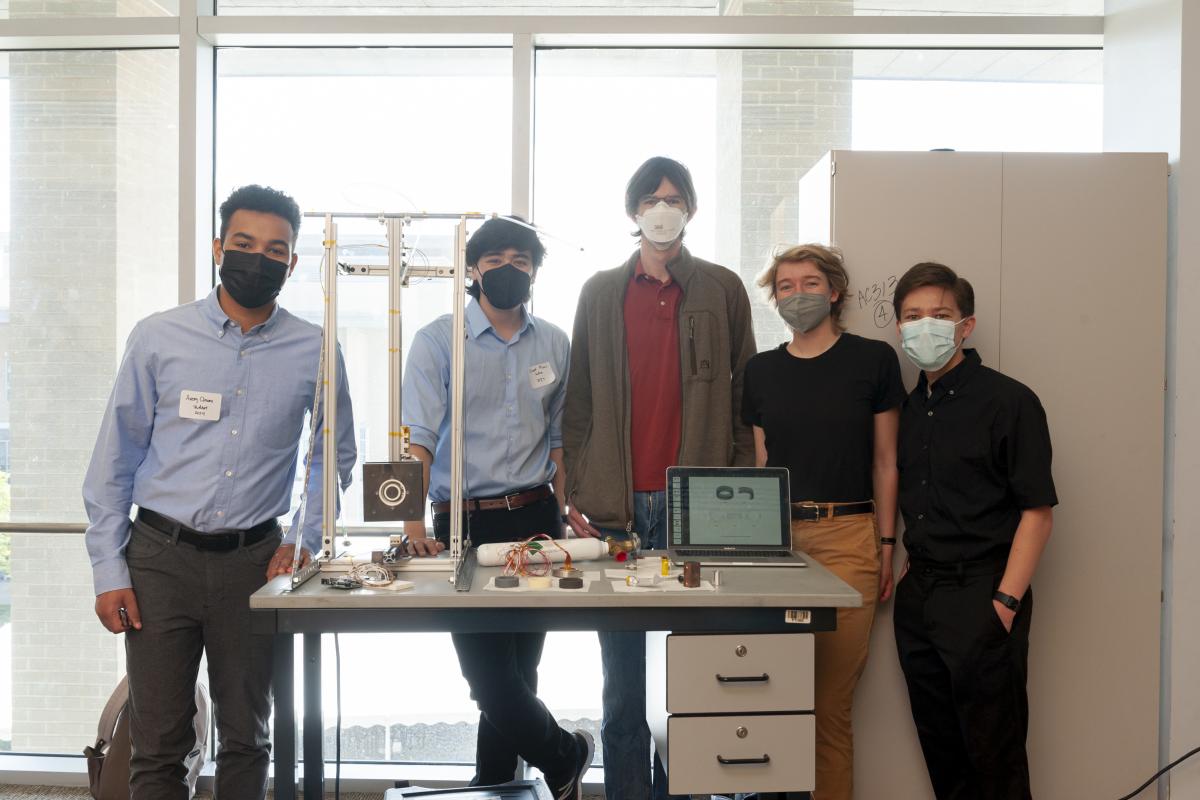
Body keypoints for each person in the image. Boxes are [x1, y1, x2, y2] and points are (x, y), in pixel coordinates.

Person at [83, 184, 357, 799]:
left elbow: (331, 455)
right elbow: (113, 459)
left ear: (291, 262)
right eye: (243, 244)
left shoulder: (315, 347)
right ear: (217, 248)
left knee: (247, 737)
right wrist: (108, 569)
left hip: (255, 565)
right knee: (158, 745)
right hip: (157, 559)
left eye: (274, 249)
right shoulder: (158, 337)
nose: (257, 258)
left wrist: (304, 539)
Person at [562, 156, 757, 800]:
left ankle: (692, 790)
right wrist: (575, 493)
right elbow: (580, 405)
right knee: (622, 684)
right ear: (633, 213)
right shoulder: (598, 292)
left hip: (694, 509)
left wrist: (733, 492)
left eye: (674, 198)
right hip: (617, 511)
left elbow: (743, 399)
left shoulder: (723, 289)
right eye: (651, 198)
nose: (662, 208)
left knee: (696, 670)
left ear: (691, 210)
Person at [402, 216, 593, 799]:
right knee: (487, 679)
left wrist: (569, 509)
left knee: (519, 670)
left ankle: (494, 784)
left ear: (535, 270)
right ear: (473, 269)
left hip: (536, 517)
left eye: (522, 259)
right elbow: (418, 439)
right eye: (496, 258)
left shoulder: (554, 342)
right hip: (463, 522)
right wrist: (412, 525)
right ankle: (566, 754)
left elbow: (558, 440)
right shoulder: (438, 340)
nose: (509, 268)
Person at [740, 244, 903, 800]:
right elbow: (763, 466)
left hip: (848, 538)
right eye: (785, 286)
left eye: (810, 283)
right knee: (769, 694)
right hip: (778, 543)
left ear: (834, 291)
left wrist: (886, 544)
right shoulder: (760, 371)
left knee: (828, 705)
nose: (798, 294)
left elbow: (886, 461)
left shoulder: (873, 360)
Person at [891, 262, 1056, 800]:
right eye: (913, 316)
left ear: (966, 325)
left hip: (983, 593)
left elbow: (1037, 511)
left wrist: (1005, 601)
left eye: (940, 315)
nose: (925, 326)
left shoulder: (1010, 402)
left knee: (995, 752)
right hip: (920, 600)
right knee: (941, 748)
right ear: (898, 328)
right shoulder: (912, 408)